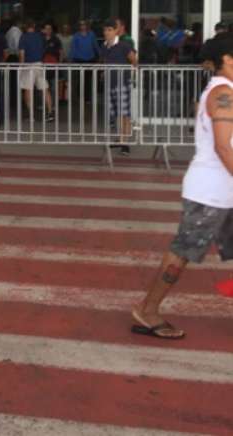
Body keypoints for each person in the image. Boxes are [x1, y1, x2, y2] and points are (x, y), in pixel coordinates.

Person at [132, 35, 233, 340]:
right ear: (227, 59)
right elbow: (223, 146)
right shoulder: (222, 93)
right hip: (210, 192)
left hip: (223, 189)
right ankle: (147, 310)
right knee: (182, 252)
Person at [100, 19, 137, 156]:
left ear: (116, 31)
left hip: (122, 83)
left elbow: (134, 60)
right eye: (105, 30)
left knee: (124, 114)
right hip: (110, 83)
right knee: (114, 114)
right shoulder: (104, 46)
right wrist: (104, 71)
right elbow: (104, 60)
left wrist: (130, 74)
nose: (107, 33)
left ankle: (124, 142)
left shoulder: (124, 45)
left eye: (110, 30)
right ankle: (120, 139)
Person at [19, 21, 54, 121]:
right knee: (44, 89)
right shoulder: (40, 36)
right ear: (34, 26)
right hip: (39, 64)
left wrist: (21, 67)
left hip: (28, 65)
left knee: (28, 89)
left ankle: (31, 115)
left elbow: (22, 53)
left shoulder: (24, 37)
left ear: (25, 27)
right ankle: (50, 112)